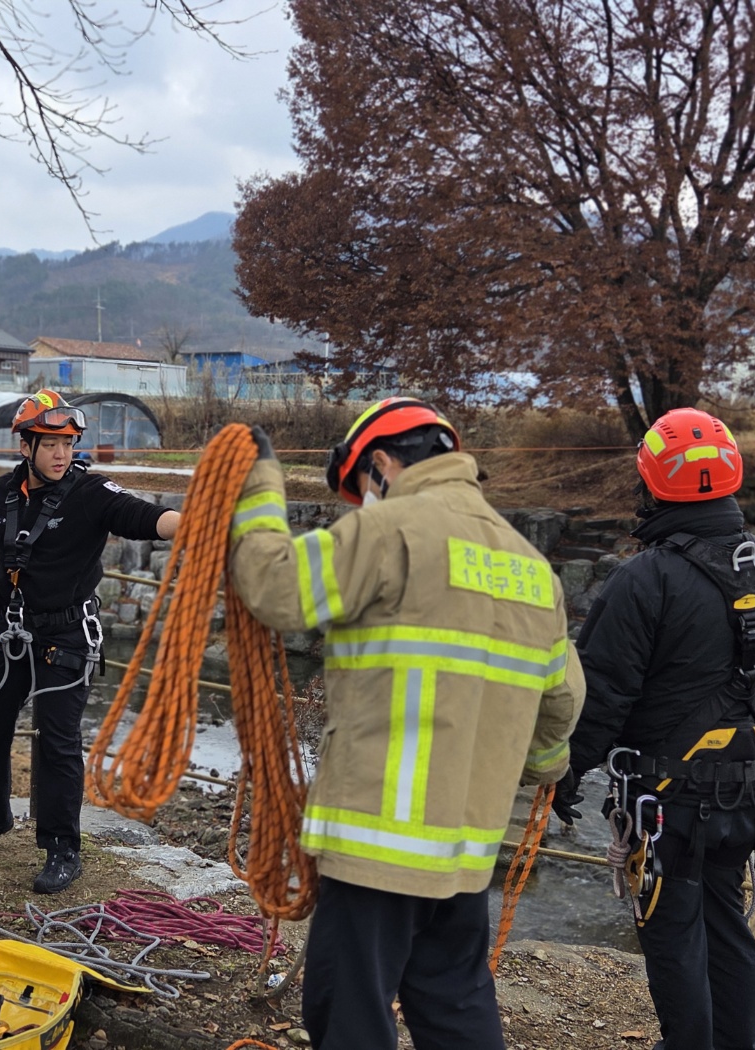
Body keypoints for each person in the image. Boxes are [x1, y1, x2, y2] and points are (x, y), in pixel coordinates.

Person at [227, 399, 585, 1050]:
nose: (362, 507)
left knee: (346, 1013)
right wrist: (543, 766)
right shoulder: (533, 570)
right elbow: (560, 704)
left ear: (382, 466)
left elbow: (276, 588)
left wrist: (260, 486)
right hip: (465, 855)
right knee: (455, 1007)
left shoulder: (388, 531)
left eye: (361, 492)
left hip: (374, 853)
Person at [552, 407, 755, 1050]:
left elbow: (602, 692)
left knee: (670, 932)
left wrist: (567, 768)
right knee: (725, 921)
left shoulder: (643, 580)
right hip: (746, 791)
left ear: (651, 485)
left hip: (667, 801)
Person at [0, 389, 180, 894]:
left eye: (69, 442)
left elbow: (144, 517)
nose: (62, 453)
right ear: (26, 447)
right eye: (51, 444)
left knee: (57, 742)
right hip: (11, 632)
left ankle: (63, 846)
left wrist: (198, 526)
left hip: (66, 636)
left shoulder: (91, 493)